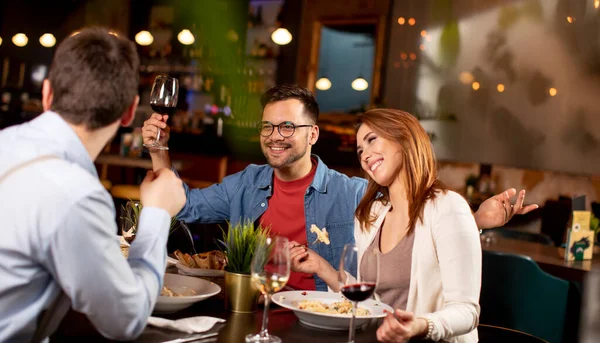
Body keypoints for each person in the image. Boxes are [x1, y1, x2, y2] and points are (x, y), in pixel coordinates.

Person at [142, 84, 536, 291]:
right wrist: (159, 150)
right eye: (267, 126)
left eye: (287, 127)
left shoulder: (351, 192)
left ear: (313, 133)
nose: (274, 136)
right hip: (251, 309)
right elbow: (183, 205)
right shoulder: (246, 183)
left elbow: (415, 226)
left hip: (318, 318)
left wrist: (478, 218)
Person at [0, 27, 186, 342]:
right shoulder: (75, 194)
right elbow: (125, 321)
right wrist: (157, 215)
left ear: (47, 94)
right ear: (130, 111)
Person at [291, 108, 481, 343]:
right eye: (360, 150)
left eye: (372, 140)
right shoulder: (372, 214)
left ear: (404, 137)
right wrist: (322, 268)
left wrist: (420, 326)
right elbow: (368, 300)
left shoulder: (447, 206)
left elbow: (467, 311)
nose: (365, 155)